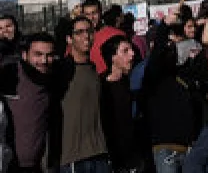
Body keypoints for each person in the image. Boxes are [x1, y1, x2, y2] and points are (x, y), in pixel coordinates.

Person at [142, 14, 201, 173]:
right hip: (166, 149)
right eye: (168, 45)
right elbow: (157, 56)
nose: (172, 48)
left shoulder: (184, 73)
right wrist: (165, 25)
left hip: (188, 147)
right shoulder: (153, 75)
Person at [53, 16, 110, 173]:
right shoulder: (61, 71)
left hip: (100, 153)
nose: (86, 36)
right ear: (69, 39)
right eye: (79, 32)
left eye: (89, 31)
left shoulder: (93, 70)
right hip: (73, 158)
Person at [2, 32, 55, 173]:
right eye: (38, 54)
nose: (44, 60)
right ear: (25, 55)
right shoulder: (10, 77)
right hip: (9, 165)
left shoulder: (53, 80)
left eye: (49, 55)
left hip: (38, 165)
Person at [100, 36, 140, 173]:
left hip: (134, 157)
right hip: (112, 159)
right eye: (125, 51)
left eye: (131, 49)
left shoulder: (132, 81)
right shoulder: (100, 87)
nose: (132, 54)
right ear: (113, 57)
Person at [91, 6, 125, 76]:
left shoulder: (118, 34)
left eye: (94, 13)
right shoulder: (120, 34)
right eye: (87, 14)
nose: (91, 17)